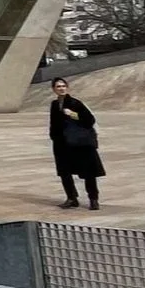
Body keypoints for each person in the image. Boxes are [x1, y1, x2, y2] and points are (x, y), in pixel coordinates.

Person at [47, 77, 104, 209]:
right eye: (58, 86)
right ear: (54, 89)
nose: (61, 88)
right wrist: (54, 137)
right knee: (64, 172)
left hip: (79, 144)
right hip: (62, 144)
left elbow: (89, 120)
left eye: (63, 86)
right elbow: (53, 123)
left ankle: (93, 199)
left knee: (88, 172)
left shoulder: (75, 103)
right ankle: (72, 198)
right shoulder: (54, 105)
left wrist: (73, 114)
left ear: (67, 88)